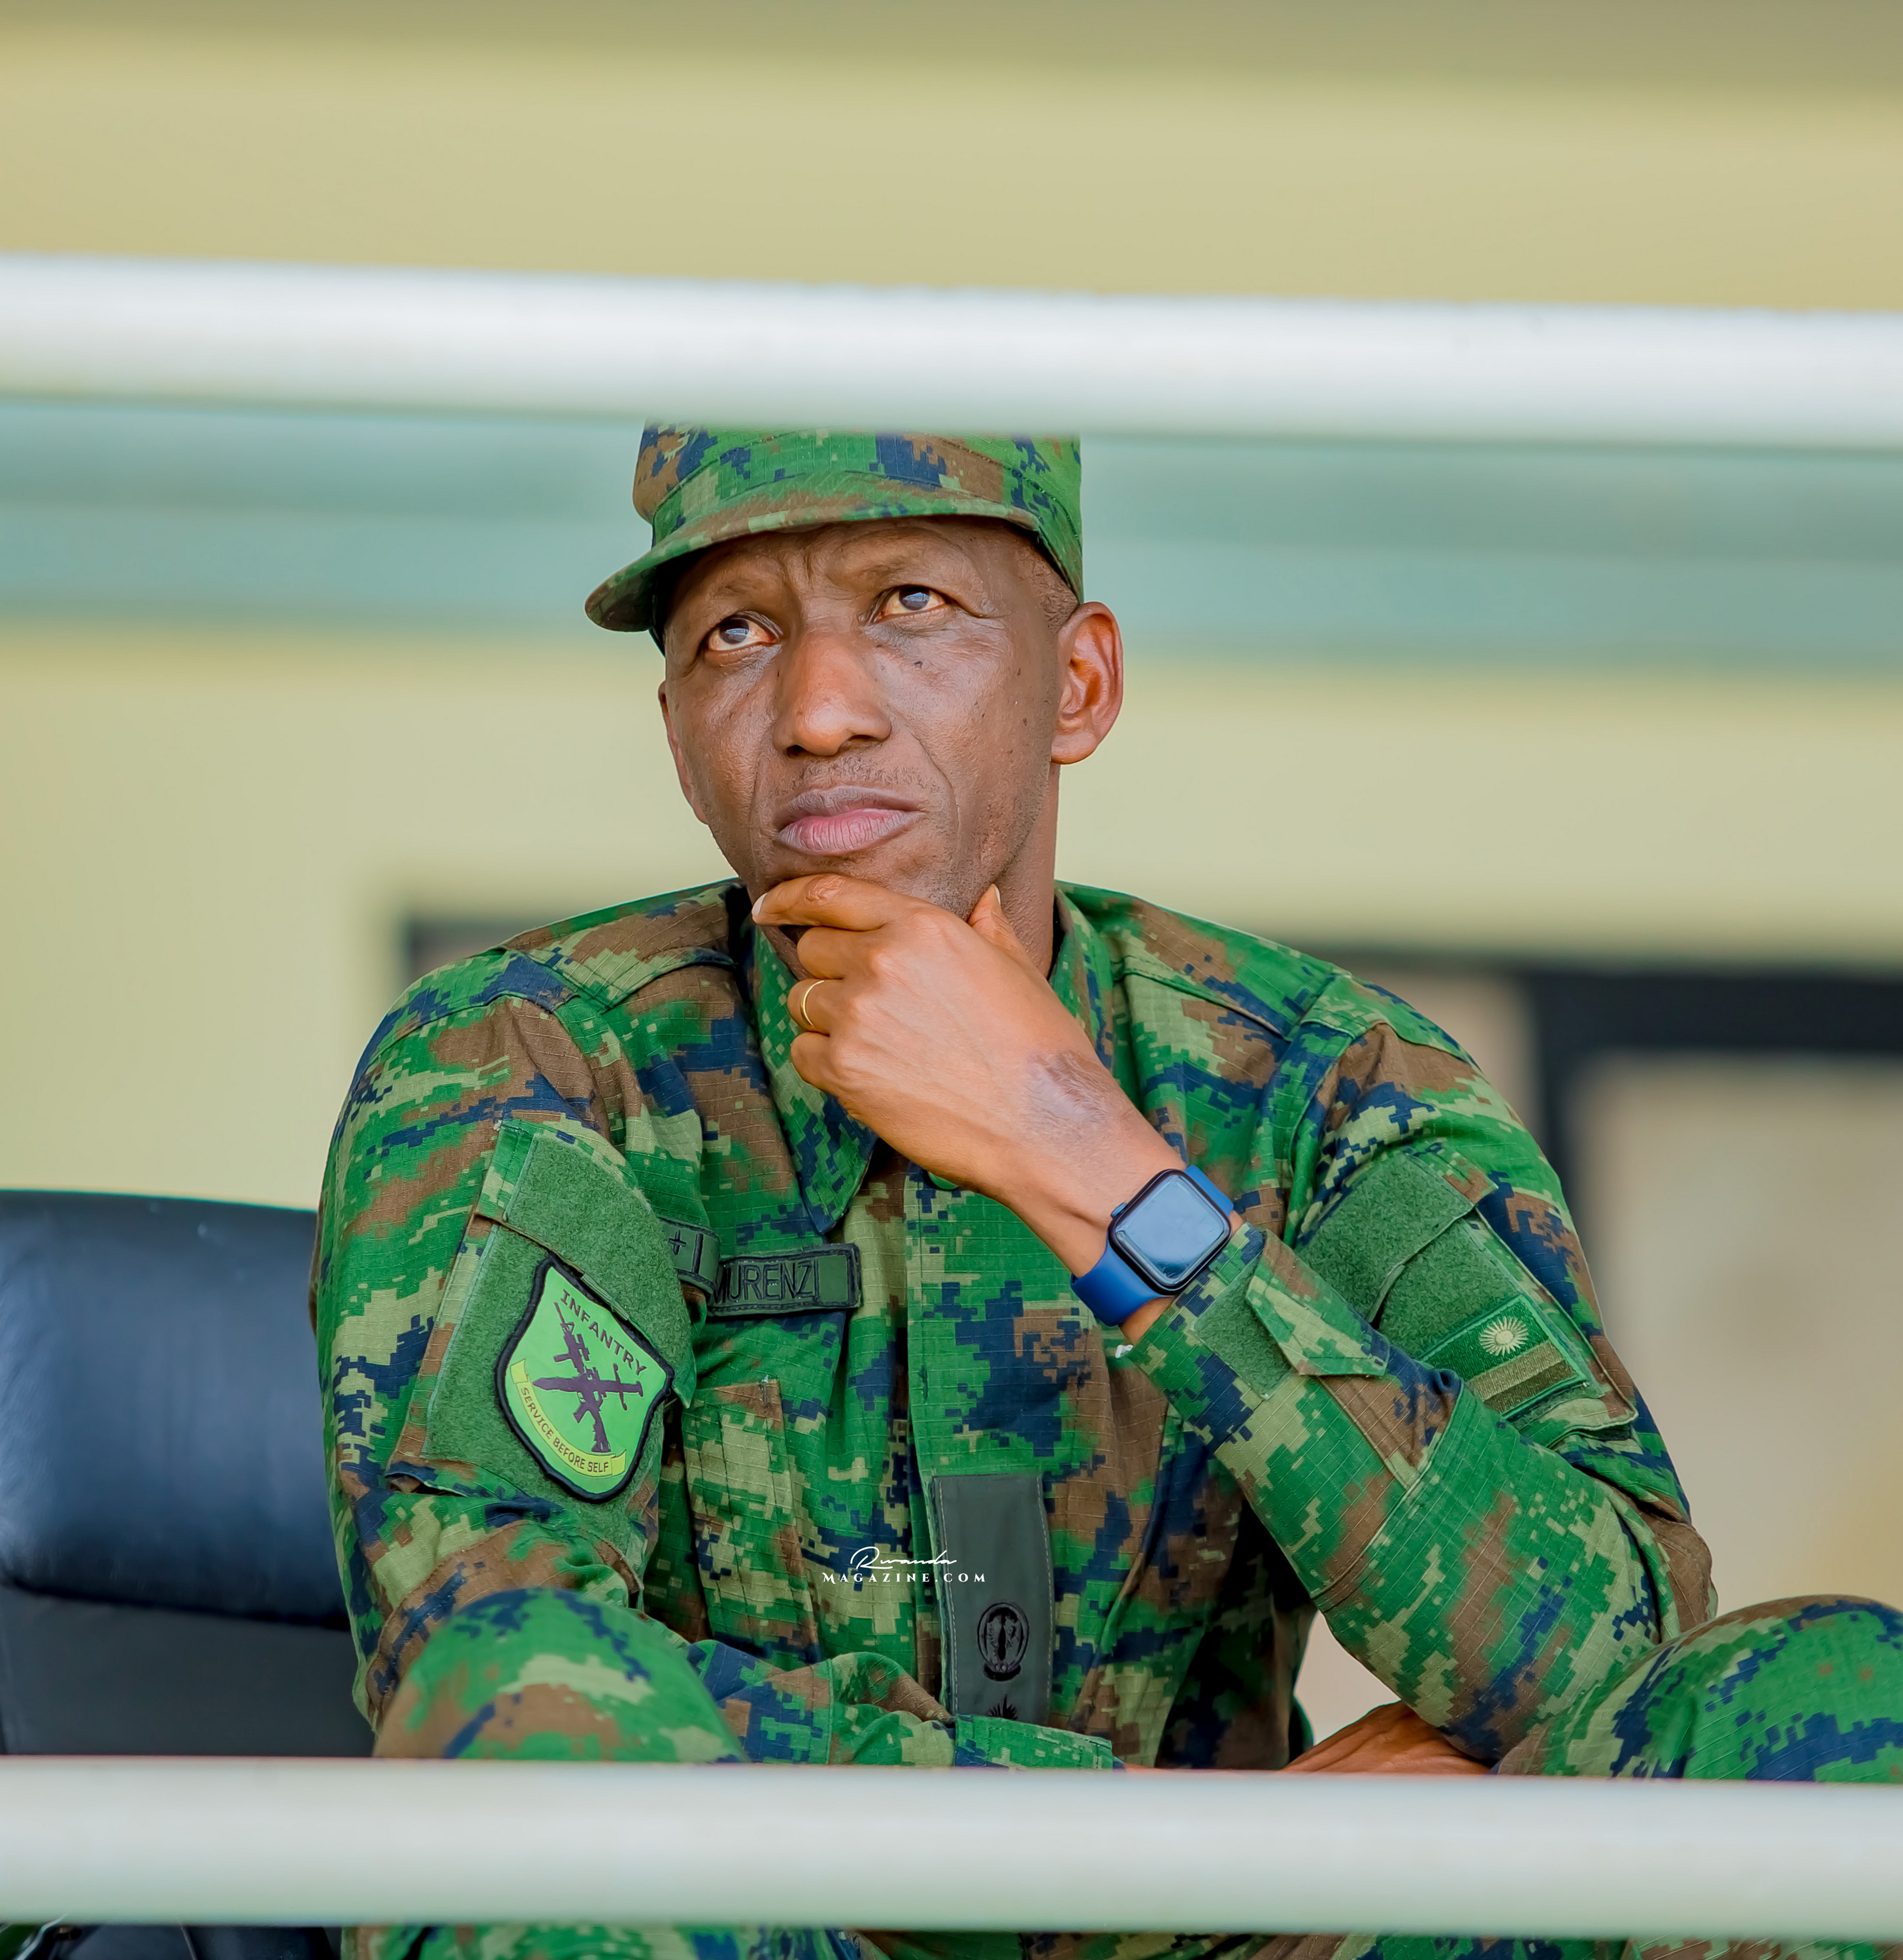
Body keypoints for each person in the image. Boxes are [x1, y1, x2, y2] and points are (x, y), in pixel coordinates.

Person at [313, 429, 1902, 1960]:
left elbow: (1610, 1651)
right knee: (513, 1694)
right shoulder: (534, 1060)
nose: (818, 711)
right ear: (677, 728)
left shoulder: (1320, 1079)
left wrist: (1089, 1159)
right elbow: (493, 1664)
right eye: (737, 632)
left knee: (1827, 1703)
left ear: (1077, 684)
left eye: (908, 604)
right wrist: (1203, 1846)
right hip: (785, 1925)